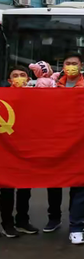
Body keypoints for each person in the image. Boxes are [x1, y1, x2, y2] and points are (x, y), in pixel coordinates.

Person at [43, 52, 84, 245]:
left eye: (75, 63)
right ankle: (54, 218)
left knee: (81, 184)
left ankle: (76, 226)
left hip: (82, 145)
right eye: (68, 63)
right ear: (62, 66)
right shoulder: (52, 85)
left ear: (81, 66)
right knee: (54, 181)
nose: (71, 66)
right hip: (57, 142)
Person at [0, 66, 39, 238]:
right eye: (15, 76)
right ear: (9, 81)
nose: (19, 78)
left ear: (29, 79)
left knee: (25, 187)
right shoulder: (3, 97)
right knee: (6, 188)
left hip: (26, 149)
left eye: (23, 75)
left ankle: (22, 220)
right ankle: (6, 223)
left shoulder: (35, 98)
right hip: (6, 150)